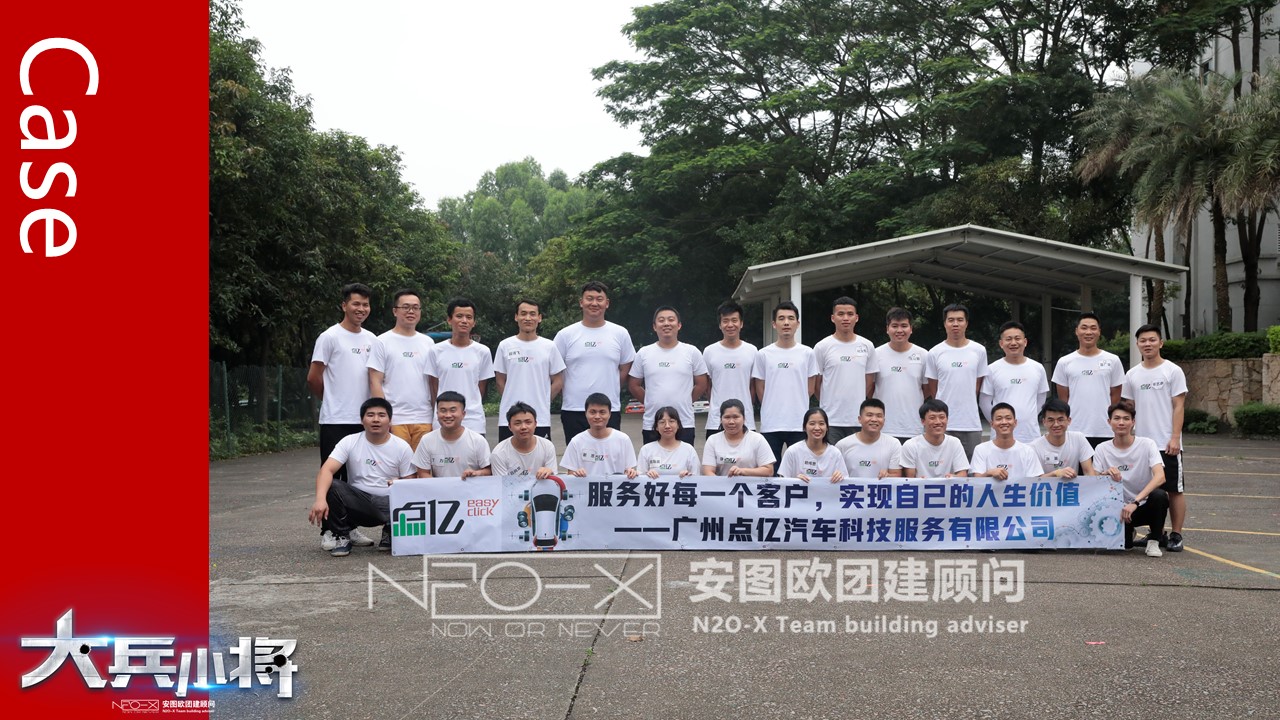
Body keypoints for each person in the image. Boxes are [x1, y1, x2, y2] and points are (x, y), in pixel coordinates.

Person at [307, 282, 377, 550]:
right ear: (344, 305)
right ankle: (330, 531)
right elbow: (313, 377)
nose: (361, 309)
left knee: (356, 478)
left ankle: (349, 527)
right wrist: (331, 400)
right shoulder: (329, 337)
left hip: (364, 421)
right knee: (334, 477)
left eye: (365, 304)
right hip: (335, 419)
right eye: (356, 303)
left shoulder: (372, 339)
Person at [308, 398, 414, 556]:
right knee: (332, 485)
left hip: (390, 504)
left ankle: (390, 530)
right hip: (359, 504)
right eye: (370, 415)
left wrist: (400, 483)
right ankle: (342, 536)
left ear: (390, 420)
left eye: (381, 415)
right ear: (361, 420)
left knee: (407, 492)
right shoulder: (349, 441)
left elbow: (411, 481)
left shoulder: (402, 446)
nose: (376, 419)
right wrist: (320, 499)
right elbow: (326, 470)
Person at [1122, 324, 1188, 552]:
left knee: (1174, 489)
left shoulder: (1172, 371)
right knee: (1148, 490)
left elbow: (1179, 406)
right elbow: (1128, 409)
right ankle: (1156, 533)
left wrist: (1175, 437)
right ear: (1137, 344)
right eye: (1143, 340)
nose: (1147, 344)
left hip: (1166, 443)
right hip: (1141, 445)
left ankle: (1177, 535)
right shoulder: (1132, 374)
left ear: (1161, 343)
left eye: (1152, 340)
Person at [554, 281, 636, 441]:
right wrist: (568, 390)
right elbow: (555, 371)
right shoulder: (565, 335)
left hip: (608, 409)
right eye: (589, 298)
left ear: (607, 303)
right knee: (577, 455)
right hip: (574, 409)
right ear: (581, 302)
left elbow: (626, 368)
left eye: (599, 299)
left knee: (609, 454)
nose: (594, 303)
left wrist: (611, 385)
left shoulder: (620, 333)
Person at [1091, 400, 1170, 558]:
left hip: (1141, 506)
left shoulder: (1147, 444)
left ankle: (1154, 540)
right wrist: (1105, 474)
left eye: (1126, 418)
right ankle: (1128, 532)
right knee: (1125, 547)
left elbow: (1160, 476)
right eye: (1117, 418)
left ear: (1133, 422)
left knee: (1160, 496)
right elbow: (1092, 482)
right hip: (1116, 510)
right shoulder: (1102, 448)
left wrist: (1135, 502)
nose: (1121, 422)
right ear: (1109, 422)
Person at [752, 301, 819, 472]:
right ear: (774, 324)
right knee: (770, 471)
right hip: (771, 423)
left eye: (791, 318)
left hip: (799, 422)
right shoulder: (763, 354)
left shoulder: (807, 353)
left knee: (799, 471)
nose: (786, 322)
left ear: (798, 323)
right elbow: (760, 389)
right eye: (781, 318)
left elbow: (810, 388)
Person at [629, 306, 709, 444]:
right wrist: (650, 401)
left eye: (671, 320)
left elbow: (702, 384)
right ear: (654, 326)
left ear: (679, 325)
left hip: (684, 422)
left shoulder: (691, 352)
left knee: (684, 458)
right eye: (661, 320)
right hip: (652, 423)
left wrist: (686, 400)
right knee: (652, 458)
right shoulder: (644, 353)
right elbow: (634, 385)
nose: (666, 323)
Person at [368, 288, 435, 451]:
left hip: (424, 418)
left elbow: (433, 383)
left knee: (422, 465)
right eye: (405, 307)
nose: (411, 311)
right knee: (396, 464)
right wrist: (383, 416)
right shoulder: (382, 341)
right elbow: (375, 381)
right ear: (395, 311)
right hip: (396, 419)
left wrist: (436, 415)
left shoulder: (428, 343)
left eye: (415, 307)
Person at [493, 299, 565, 442]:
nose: (527, 318)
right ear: (516, 317)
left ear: (539, 318)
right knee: (508, 455)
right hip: (509, 417)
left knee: (540, 455)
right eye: (523, 313)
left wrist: (544, 399)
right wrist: (512, 402)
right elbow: (500, 381)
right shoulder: (505, 345)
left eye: (532, 314)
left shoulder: (549, 346)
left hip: (540, 418)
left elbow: (558, 381)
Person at [925, 303, 988, 459]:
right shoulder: (934, 352)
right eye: (951, 320)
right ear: (944, 323)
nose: (955, 324)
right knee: (942, 465)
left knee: (972, 467)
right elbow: (933, 389)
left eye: (960, 320)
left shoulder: (979, 350)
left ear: (966, 323)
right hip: (942, 423)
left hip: (971, 423)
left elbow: (977, 385)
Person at [1051, 313, 1125, 447]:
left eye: (1093, 328)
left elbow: (1115, 396)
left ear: (1099, 332)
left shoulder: (1113, 360)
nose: (1089, 332)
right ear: (1077, 331)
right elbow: (1063, 400)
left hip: (1105, 430)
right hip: (1074, 429)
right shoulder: (1065, 362)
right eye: (1084, 328)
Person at [813, 296, 878, 444]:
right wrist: (828, 402)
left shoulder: (867, 346)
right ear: (833, 318)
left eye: (850, 314)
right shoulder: (822, 347)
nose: (845, 318)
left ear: (856, 318)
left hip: (858, 419)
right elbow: (816, 384)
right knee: (831, 458)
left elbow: (869, 383)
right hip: (831, 420)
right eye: (841, 314)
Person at [427, 298, 495, 436]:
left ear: (474, 322)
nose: (464, 321)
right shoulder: (436, 351)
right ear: (449, 320)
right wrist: (441, 411)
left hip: (473, 420)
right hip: (443, 419)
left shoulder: (483, 351)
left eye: (469, 317)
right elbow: (434, 387)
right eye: (459, 316)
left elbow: (481, 387)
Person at [980, 321, 1049, 444]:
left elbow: (1041, 399)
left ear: (1025, 342)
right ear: (1001, 343)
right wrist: (998, 422)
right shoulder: (992, 369)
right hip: (1000, 436)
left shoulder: (1037, 368)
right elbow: (984, 402)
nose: (1013, 343)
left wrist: (1029, 417)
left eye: (1017, 338)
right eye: (1008, 339)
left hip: (1030, 435)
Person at [702, 301, 759, 438]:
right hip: (716, 420)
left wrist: (745, 406)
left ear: (741, 323)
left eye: (734, 320)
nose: (730, 325)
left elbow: (753, 386)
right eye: (725, 321)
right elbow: (707, 385)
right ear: (720, 325)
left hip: (745, 420)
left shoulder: (752, 351)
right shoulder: (709, 351)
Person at [874, 307, 927, 443]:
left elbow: (928, 390)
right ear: (887, 329)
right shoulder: (875, 354)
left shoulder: (923, 355)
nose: (899, 330)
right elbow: (869, 387)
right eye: (894, 326)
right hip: (883, 427)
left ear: (911, 329)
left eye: (904, 326)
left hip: (914, 426)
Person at [412, 391, 492, 479]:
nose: (448, 415)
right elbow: (423, 472)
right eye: (443, 411)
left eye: (453, 410)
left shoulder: (477, 440)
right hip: (438, 487)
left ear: (463, 414)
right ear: (437, 414)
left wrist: (476, 473)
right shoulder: (427, 440)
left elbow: (489, 470)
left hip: (470, 487)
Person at [561, 392, 637, 477]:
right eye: (592, 412)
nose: (597, 416)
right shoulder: (576, 442)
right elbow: (571, 474)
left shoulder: (623, 439)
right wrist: (577, 473)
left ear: (609, 414)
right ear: (586, 413)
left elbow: (630, 471)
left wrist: (631, 472)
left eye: (602, 412)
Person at [701, 399, 776, 477]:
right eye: (727, 417)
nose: (731, 422)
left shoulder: (757, 439)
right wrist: (722, 483)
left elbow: (769, 470)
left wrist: (743, 471)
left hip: (751, 485)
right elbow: (707, 471)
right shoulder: (712, 440)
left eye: (736, 417)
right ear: (721, 419)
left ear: (744, 418)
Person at [969, 403, 1044, 481]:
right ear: (992, 424)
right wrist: (989, 473)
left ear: (1015, 422)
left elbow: (1034, 482)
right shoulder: (981, 449)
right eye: (999, 419)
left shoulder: (1028, 451)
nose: (1004, 422)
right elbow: (976, 482)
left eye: (1008, 418)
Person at [900, 399, 969, 478]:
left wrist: (954, 477)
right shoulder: (911, 445)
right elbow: (910, 478)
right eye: (932, 418)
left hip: (947, 485)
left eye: (942, 417)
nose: (938, 422)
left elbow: (962, 473)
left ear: (947, 419)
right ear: (923, 421)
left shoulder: (955, 443)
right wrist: (919, 481)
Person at [836, 398, 903, 479]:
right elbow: (833, 475)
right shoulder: (843, 445)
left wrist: (887, 475)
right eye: (869, 415)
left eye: (879, 416)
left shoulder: (893, 444)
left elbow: (897, 476)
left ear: (884, 420)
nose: (874, 419)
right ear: (860, 419)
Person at [1031, 398, 1096, 479]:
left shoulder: (1078, 438)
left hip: (1071, 486)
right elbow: (1033, 480)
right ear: (1044, 422)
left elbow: (1089, 472)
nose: (1056, 424)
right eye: (1051, 420)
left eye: (1060, 420)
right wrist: (1056, 473)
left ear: (1069, 420)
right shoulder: (1034, 447)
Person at [778, 408, 848, 483]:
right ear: (804, 427)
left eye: (821, 423)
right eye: (812, 424)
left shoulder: (835, 453)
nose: (817, 428)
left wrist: (840, 477)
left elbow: (845, 482)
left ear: (827, 427)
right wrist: (795, 481)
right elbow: (782, 482)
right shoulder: (792, 451)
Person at [489, 402, 557, 478]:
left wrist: (548, 472)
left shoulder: (547, 446)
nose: (523, 427)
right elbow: (501, 483)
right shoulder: (499, 453)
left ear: (535, 424)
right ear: (509, 427)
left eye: (528, 422)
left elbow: (554, 480)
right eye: (517, 423)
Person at [632, 406, 699, 478]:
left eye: (671, 421)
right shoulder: (646, 450)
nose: (667, 426)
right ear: (656, 427)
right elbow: (640, 478)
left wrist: (688, 476)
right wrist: (647, 475)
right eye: (662, 422)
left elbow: (697, 478)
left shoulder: (689, 450)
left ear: (678, 425)